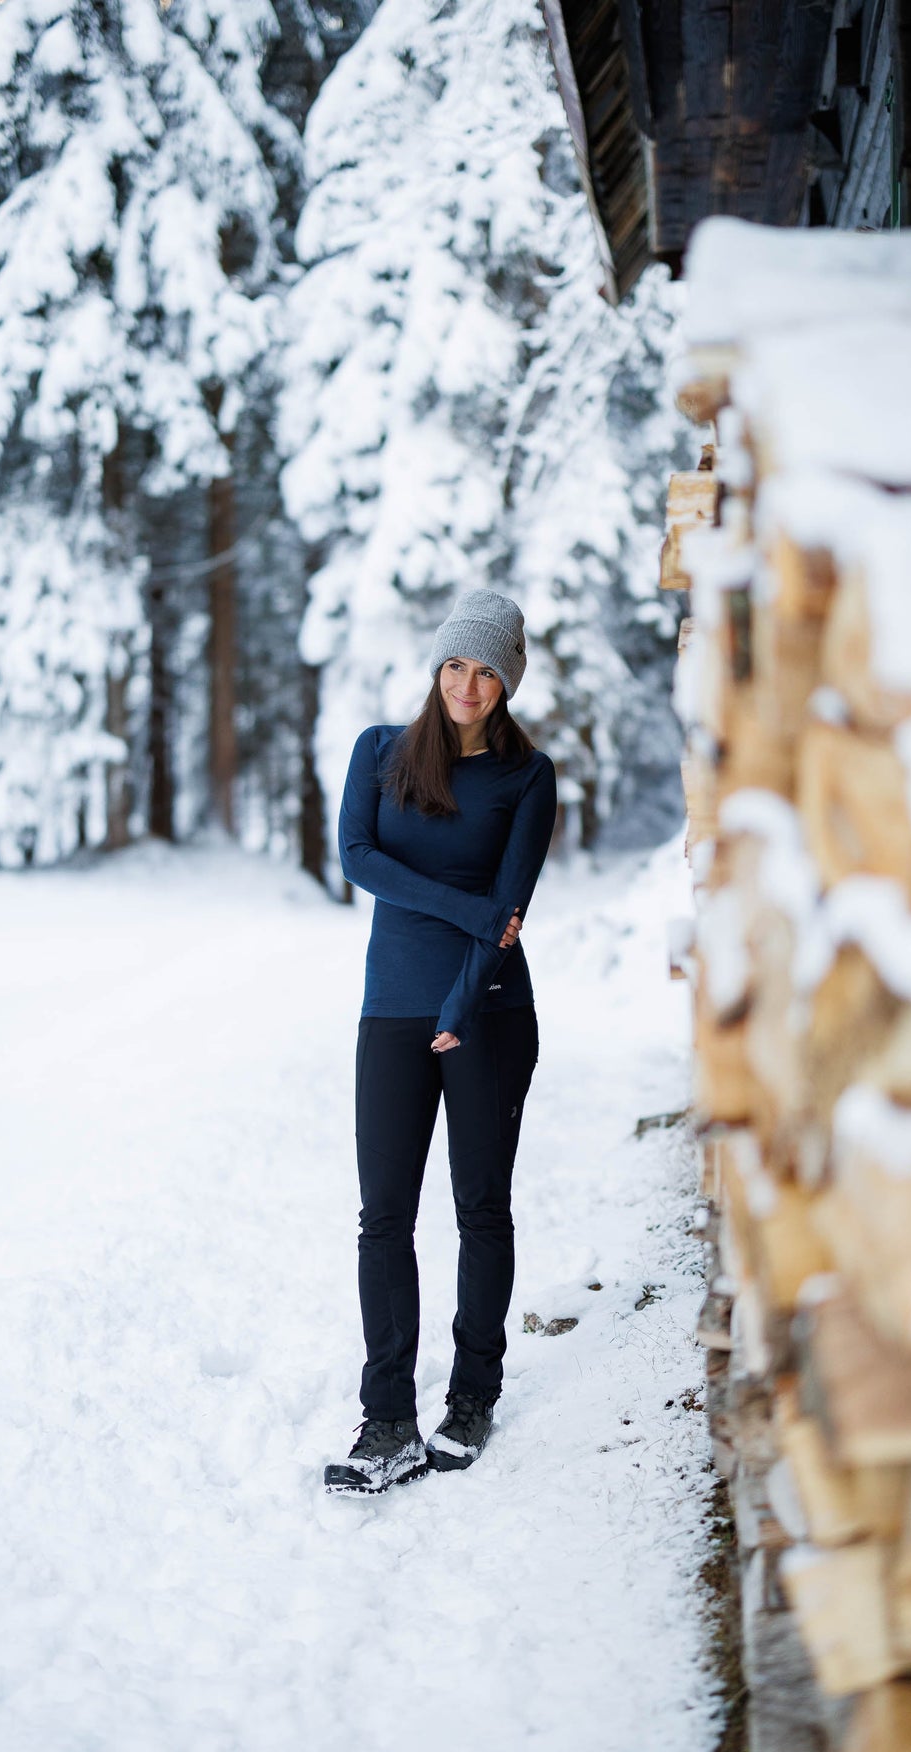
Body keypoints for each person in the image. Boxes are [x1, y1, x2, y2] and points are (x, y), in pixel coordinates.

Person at [323, 589, 557, 1495]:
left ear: (506, 683)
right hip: (392, 1009)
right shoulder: (380, 753)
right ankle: (388, 1419)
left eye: (488, 669)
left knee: (478, 1207)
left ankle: (472, 1391)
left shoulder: (526, 776)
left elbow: (515, 907)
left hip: (490, 1012)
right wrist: (467, 910)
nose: (469, 682)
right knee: (383, 1216)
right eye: (458, 664)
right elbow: (358, 857)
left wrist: (460, 1005)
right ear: (438, 668)